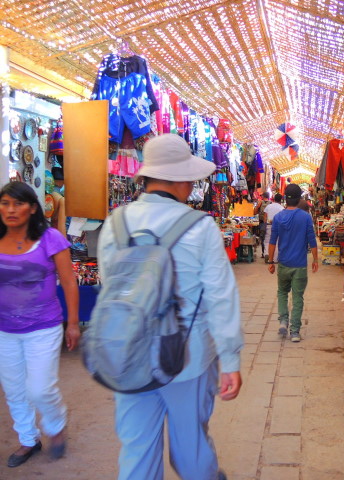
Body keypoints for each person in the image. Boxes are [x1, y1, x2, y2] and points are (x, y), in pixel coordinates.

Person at [97, 134, 243, 480]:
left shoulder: (115, 224)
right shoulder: (201, 227)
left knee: (136, 449)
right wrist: (231, 360)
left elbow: (110, 287)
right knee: (190, 446)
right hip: (187, 357)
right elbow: (220, 296)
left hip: (128, 355)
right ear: (181, 180)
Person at [0, 181, 80, 467]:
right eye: (5, 203)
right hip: (4, 330)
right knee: (14, 389)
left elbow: (69, 281)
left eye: (18, 203)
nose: (10, 209)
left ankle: (55, 426)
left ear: (33, 208)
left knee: (40, 388)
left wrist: (73, 324)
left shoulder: (50, 238)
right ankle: (28, 439)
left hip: (43, 326)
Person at [268, 183, 318, 342]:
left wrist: (270, 261)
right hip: (300, 265)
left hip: (283, 263)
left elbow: (272, 241)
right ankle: (295, 331)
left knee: (282, 292)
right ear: (299, 199)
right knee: (298, 297)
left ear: (285, 199)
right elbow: (312, 241)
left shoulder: (278, 218)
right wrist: (315, 260)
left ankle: (283, 320)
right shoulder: (305, 217)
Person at [263, 193, 284, 263]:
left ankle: (266, 253)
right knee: (277, 242)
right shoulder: (282, 208)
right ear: (280, 200)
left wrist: (265, 224)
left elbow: (265, 217)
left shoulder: (269, 206)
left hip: (269, 225)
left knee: (267, 240)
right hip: (278, 226)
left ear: (274, 199)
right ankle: (274, 259)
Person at [254, 192, 270, 258]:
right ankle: (268, 252)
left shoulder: (260, 203)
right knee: (269, 238)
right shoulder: (271, 203)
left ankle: (264, 253)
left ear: (263, 196)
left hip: (262, 222)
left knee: (263, 237)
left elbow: (254, 212)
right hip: (269, 222)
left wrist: (257, 206)